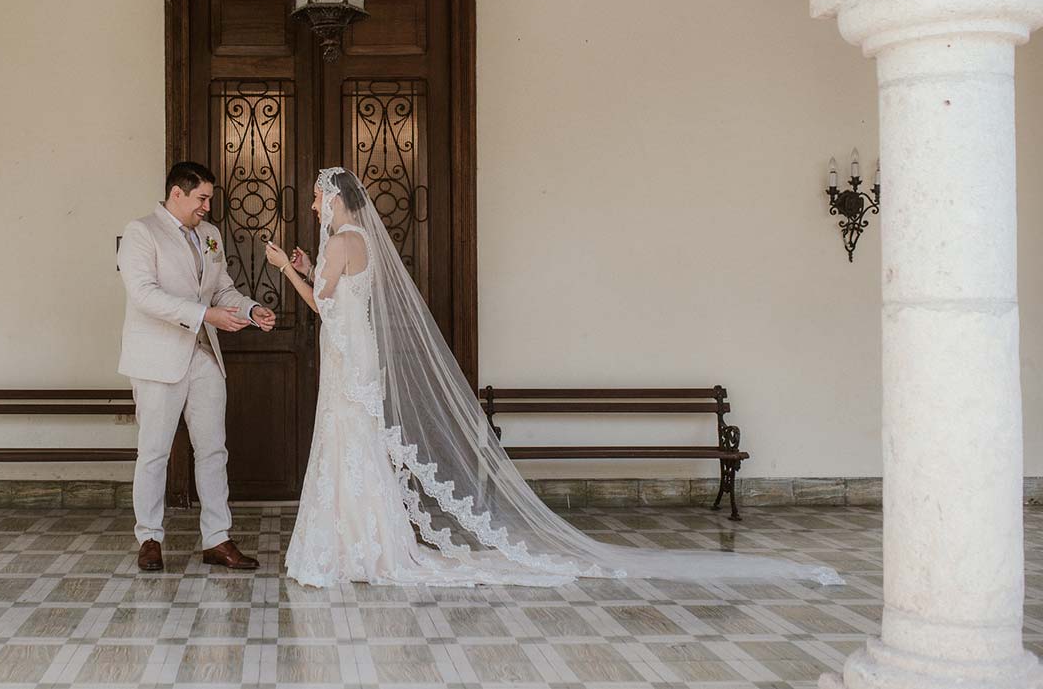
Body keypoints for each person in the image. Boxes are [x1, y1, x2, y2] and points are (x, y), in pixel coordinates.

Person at [266, 167, 842, 588]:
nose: (314, 206)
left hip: (349, 355)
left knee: (348, 441)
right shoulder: (361, 241)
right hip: (360, 352)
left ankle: (350, 548)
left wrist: (285, 272)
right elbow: (342, 297)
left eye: (317, 198)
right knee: (357, 443)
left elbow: (322, 307)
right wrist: (304, 267)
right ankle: (367, 545)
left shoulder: (340, 241)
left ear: (332, 197)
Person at [117, 161, 276, 572]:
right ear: (176, 193)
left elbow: (222, 288)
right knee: (153, 452)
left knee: (213, 450)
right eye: (202, 198)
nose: (207, 206)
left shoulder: (210, 236)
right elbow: (144, 296)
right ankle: (149, 537)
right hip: (158, 359)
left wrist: (251, 307)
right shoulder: (140, 233)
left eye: (209, 198)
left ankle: (217, 539)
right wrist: (206, 315)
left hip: (205, 356)